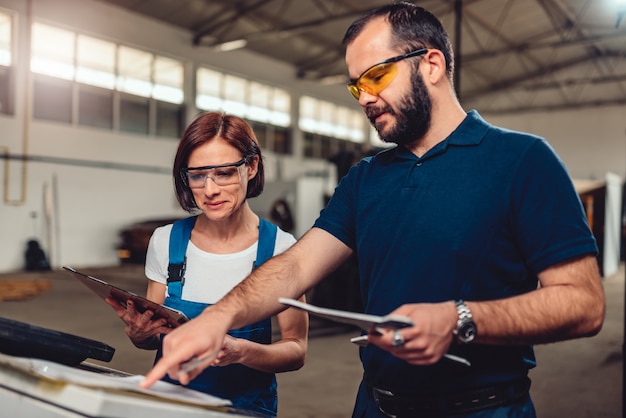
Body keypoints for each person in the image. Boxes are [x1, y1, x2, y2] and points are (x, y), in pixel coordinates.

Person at [141, 3, 606, 417]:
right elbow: (296, 266)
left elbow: (584, 303)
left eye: (376, 77)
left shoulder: (521, 160)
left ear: (431, 64)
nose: (363, 97)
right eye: (355, 86)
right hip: (376, 404)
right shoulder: (367, 177)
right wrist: (218, 318)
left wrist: (461, 318)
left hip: (484, 408)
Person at [106, 112, 308, 417]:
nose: (209, 190)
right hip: (171, 407)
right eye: (197, 175)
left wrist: (241, 351)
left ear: (251, 167)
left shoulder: (280, 247)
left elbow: (296, 350)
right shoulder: (166, 242)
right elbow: (154, 337)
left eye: (224, 173)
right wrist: (140, 335)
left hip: (245, 410)